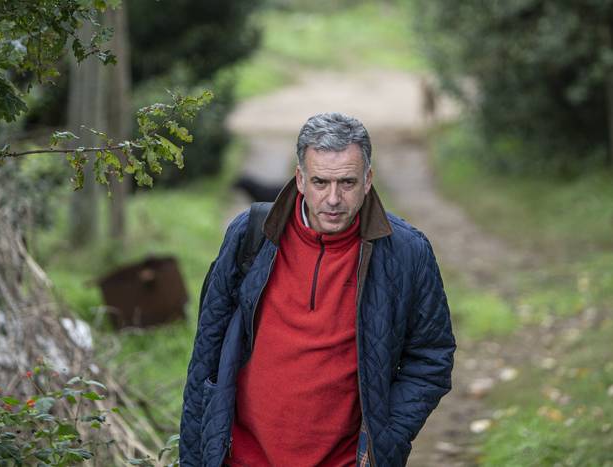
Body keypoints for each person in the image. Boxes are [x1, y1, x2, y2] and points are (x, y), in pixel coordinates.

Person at [180, 112, 455, 467]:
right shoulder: (251, 237)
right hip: (242, 458)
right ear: (300, 179)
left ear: (368, 180)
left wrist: (387, 437)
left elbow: (432, 358)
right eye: (321, 182)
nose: (333, 199)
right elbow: (206, 354)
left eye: (347, 183)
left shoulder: (406, 252)